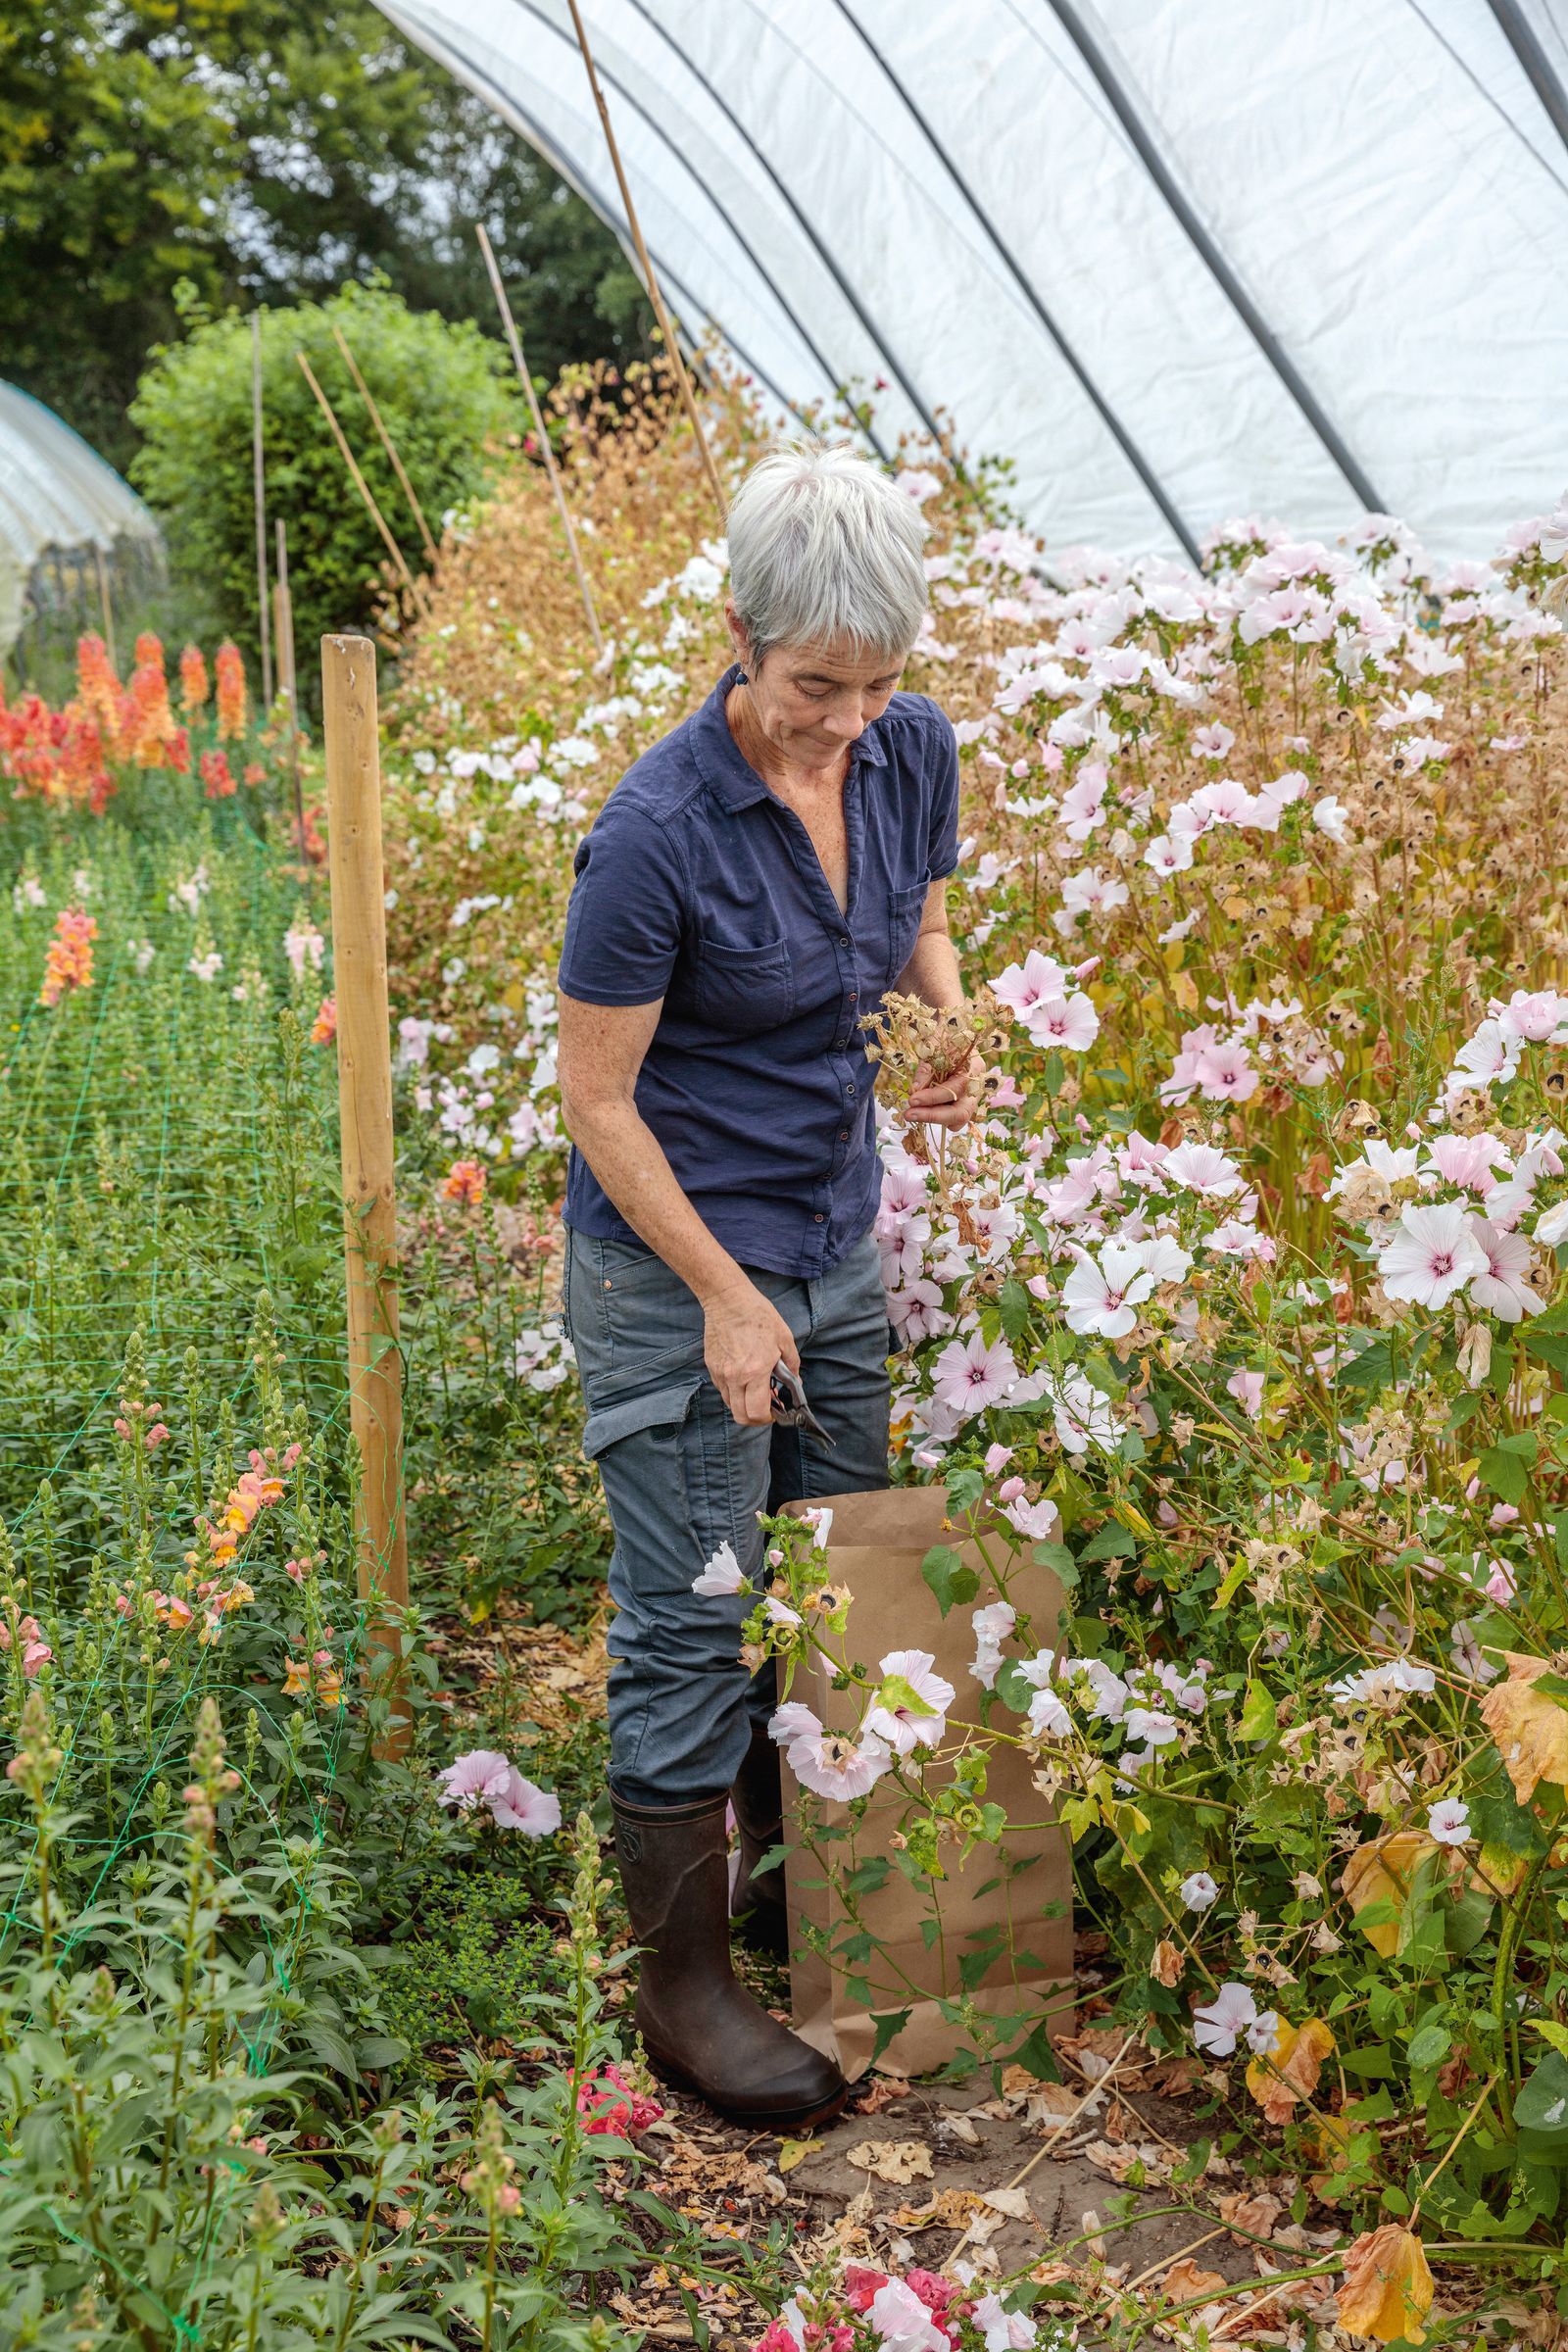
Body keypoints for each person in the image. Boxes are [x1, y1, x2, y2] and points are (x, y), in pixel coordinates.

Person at [556, 439, 978, 2129]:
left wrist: (941, 1018)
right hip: (678, 1266)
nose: (850, 720)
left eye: (879, 683)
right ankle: (684, 1987)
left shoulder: (906, 751)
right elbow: (597, 1099)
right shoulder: (654, 832)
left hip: (827, 1233)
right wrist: (730, 1298)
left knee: (836, 1567)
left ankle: (815, 1896)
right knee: (700, 1609)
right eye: (818, 683)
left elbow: (922, 911)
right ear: (741, 635)